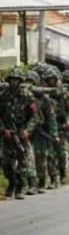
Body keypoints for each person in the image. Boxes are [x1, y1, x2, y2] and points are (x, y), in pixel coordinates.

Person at [0, 68, 41, 199]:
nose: (14, 82)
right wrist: (3, 129)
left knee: (23, 161)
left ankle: (19, 187)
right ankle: (11, 183)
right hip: (7, 133)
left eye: (16, 80)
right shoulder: (3, 96)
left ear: (20, 81)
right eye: (12, 80)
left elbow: (35, 116)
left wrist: (27, 130)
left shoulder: (27, 96)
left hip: (21, 133)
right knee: (6, 163)